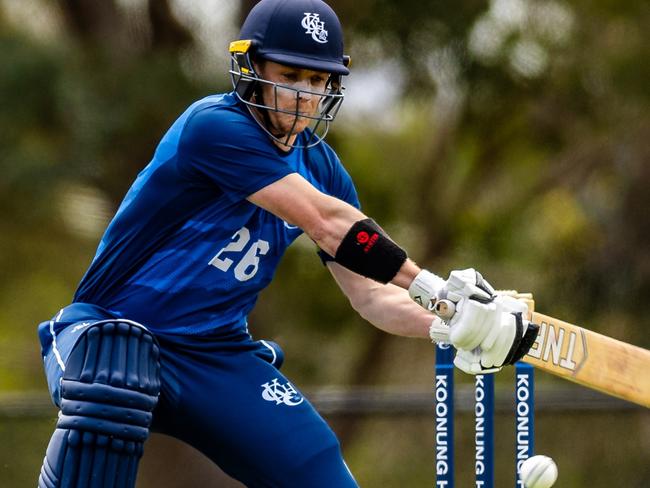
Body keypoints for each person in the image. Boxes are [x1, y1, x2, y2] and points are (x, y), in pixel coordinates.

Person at [36, 0, 538, 486]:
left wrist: (450, 324)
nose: (304, 94)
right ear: (250, 67)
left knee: (315, 467)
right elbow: (324, 221)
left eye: (317, 80)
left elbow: (372, 295)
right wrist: (441, 291)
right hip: (110, 328)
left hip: (217, 356)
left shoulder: (323, 168)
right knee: (113, 376)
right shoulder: (213, 127)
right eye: (290, 75)